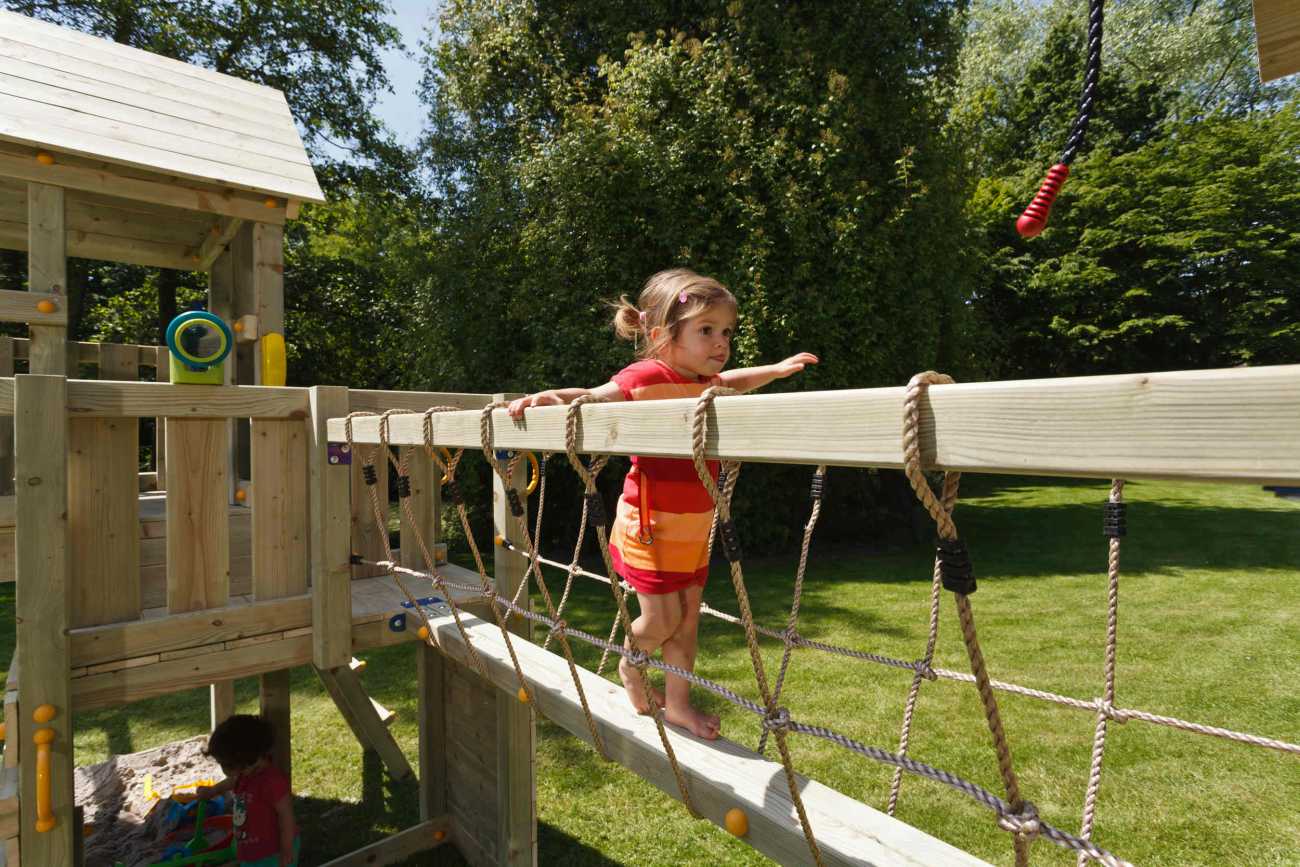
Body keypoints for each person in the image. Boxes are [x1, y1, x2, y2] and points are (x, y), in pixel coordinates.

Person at [508, 268, 817, 739]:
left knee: (688, 621)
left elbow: (736, 378)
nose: (721, 343)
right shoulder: (647, 374)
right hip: (649, 525)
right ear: (660, 336)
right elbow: (596, 397)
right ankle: (631, 666)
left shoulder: (708, 383)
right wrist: (554, 397)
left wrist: (774, 371)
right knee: (662, 618)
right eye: (706, 330)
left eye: (727, 332)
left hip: (694, 526)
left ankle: (678, 704)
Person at [197, 714, 299, 866]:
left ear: (245, 760)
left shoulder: (271, 782)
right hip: (251, 851)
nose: (223, 769)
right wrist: (212, 791)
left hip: (273, 853)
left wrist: (287, 849)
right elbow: (232, 782)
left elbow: (286, 818)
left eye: (224, 764)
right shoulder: (245, 773)